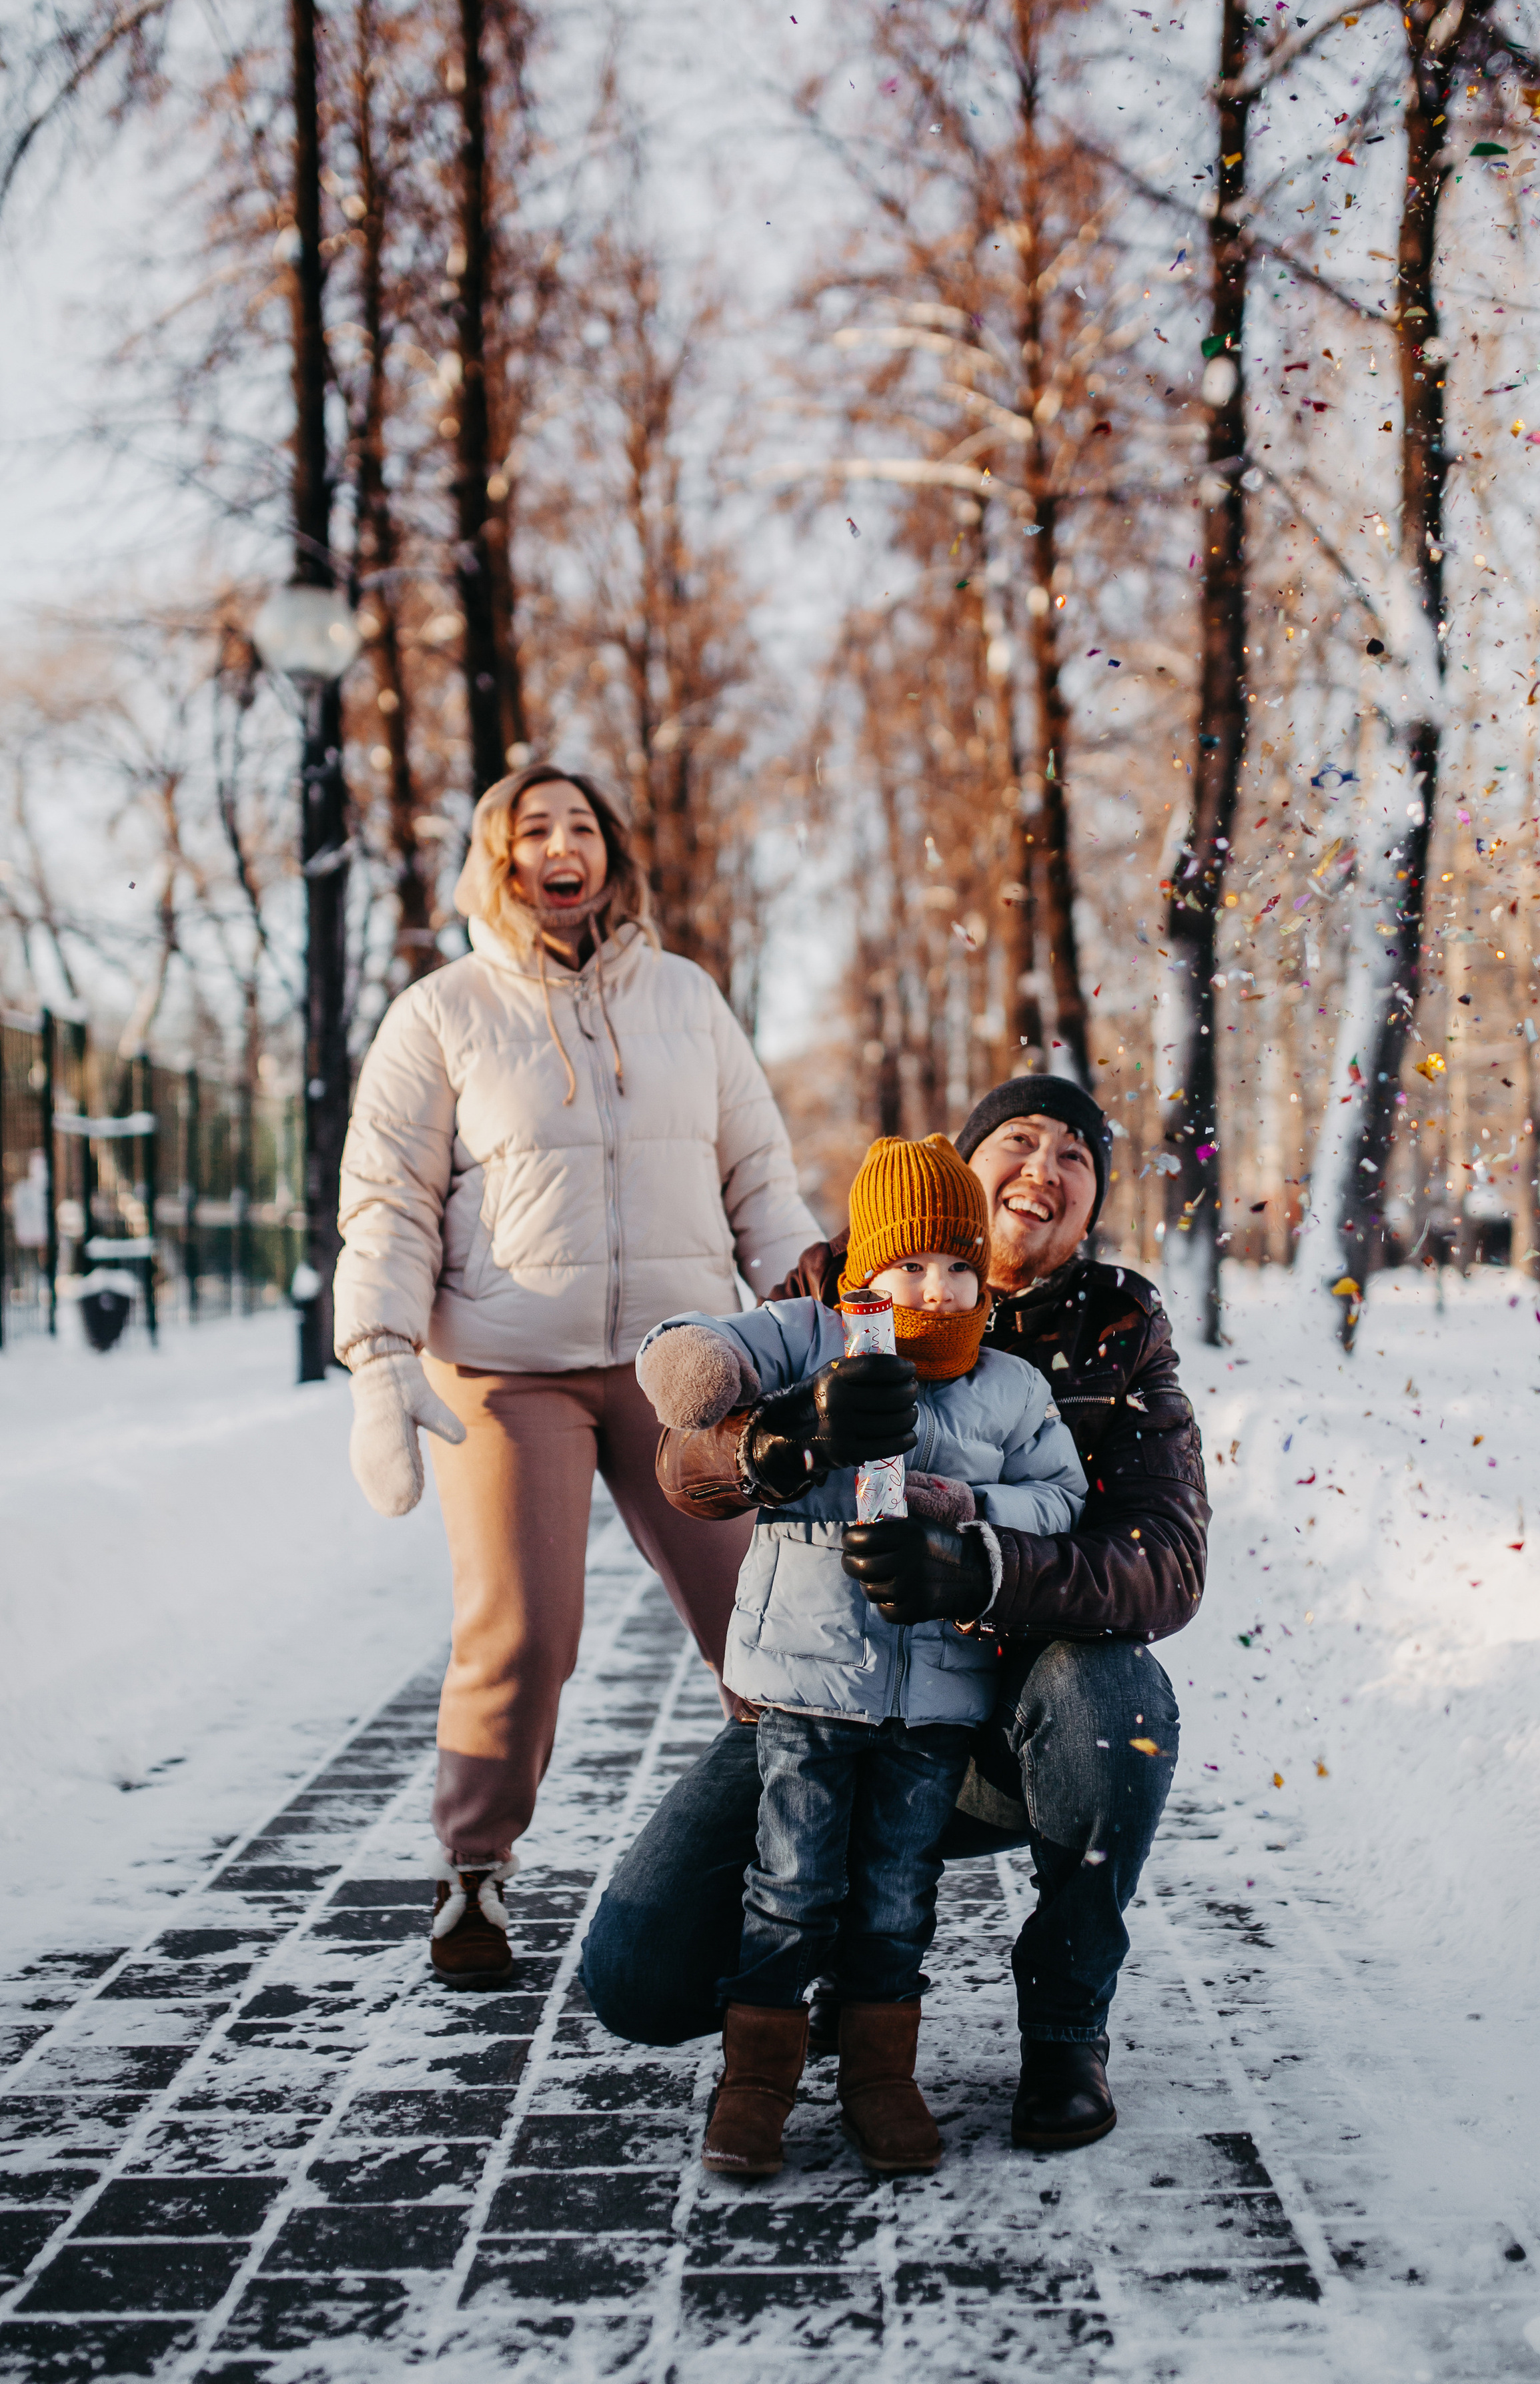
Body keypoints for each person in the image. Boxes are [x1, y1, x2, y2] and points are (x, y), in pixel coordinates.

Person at [580, 1073, 1211, 2151]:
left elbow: (1163, 1561)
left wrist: (981, 1566)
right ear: (962, 1165)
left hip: (1005, 1712)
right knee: (638, 1980)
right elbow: (686, 1455)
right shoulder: (839, 1289)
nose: (1045, 1169)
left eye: (1076, 1155)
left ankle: (1064, 2027)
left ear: (1092, 1201)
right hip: (828, 1690)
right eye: (1020, 1139)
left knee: (1115, 1696)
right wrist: (770, 1448)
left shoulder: (1118, 1328)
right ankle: (799, 1983)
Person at [331, 764, 822, 1989]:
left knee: (761, 1616)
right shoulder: (440, 1012)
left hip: (683, 1361)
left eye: (583, 826)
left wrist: (806, 1288)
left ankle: (803, 1854)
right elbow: (388, 1200)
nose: (563, 845)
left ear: (611, 854)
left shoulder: (685, 998)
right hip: (507, 1368)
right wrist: (380, 1353)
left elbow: (755, 1168)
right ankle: (474, 1877)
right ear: (496, 858)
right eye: (533, 827)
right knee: (525, 1631)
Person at [635, 1133, 1085, 2179]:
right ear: (864, 1268)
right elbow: (695, 1350)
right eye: (910, 1265)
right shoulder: (815, 1336)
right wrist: (773, 1417)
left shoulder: (1007, 1387)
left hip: (935, 1703)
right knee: (789, 1884)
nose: (937, 1288)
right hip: (806, 1689)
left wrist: (973, 1510)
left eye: (959, 1267)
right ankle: (756, 2083)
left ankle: (882, 2076)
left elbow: (1062, 1500)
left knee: (894, 1895)